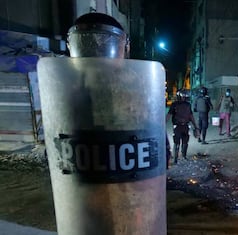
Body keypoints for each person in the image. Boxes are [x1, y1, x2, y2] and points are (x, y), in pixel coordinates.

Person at [67, 12, 172, 168]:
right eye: (91, 44)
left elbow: (156, 145)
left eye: (102, 44)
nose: (97, 51)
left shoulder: (134, 92)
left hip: (128, 188)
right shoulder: (64, 92)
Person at [166, 89, 199, 164]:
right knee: (183, 142)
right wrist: (195, 126)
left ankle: (177, 158)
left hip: (179, 126)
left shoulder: (176, 104)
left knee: (179, 143)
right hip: (184, 126)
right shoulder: (187, 104)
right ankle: (182, 157)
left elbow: (169, 115)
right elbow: (191, 116)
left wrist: (162, 124)